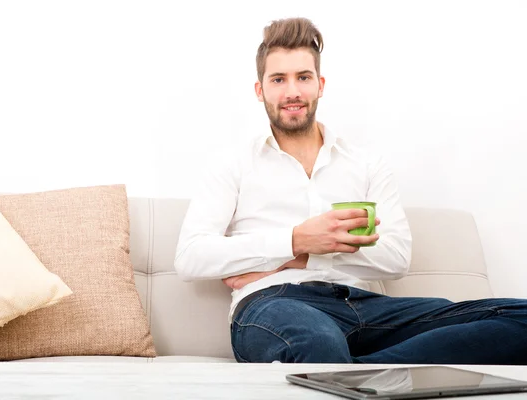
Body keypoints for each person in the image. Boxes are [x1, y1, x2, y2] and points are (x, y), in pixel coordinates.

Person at [174, 17, 527, 365]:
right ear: (260, 89)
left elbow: (396, 257)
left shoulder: (365, 163)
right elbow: (190, 256)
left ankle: (353, 372)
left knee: (519, 318)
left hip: (362, 304)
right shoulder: (233, 164)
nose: (292, 91)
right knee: (317, 344)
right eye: (278, 79)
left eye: (303, 77)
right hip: (274, 303)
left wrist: (306, 252)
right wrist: (295, 239)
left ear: (320, 84)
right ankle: (368, 368)